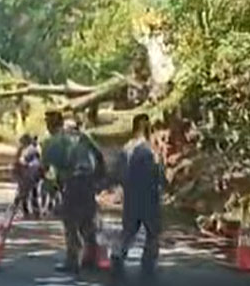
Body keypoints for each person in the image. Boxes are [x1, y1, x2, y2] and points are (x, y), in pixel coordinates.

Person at [44, 114, 106, 273]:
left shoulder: (53, 142)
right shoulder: (84, 137)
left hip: (73, 182)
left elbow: (48, 169)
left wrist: (50, 187)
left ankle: (73, 261)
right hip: (88, 181)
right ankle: (91, 256)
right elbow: (99, 156)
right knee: (88, 219)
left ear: (50, 125)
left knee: (70, 222)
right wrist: (99, 180)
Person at [111, 114, 166, 276]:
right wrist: (162, 185)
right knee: (153, 231)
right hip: (148, 195)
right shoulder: (149, 149)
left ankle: (118, 254)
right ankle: (148, 262)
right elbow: (157, 173)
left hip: (131, 194)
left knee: (128, 229)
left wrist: (122, 187)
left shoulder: (126, 147)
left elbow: (118, 172)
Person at [12, 133, 42, 218]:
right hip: (29, 174)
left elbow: (22, 161)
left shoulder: (30, 150)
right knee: (31, 193)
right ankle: (32, 211)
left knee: (24, 193)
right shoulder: (30, 149)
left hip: (28, 174)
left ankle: (22, 210)